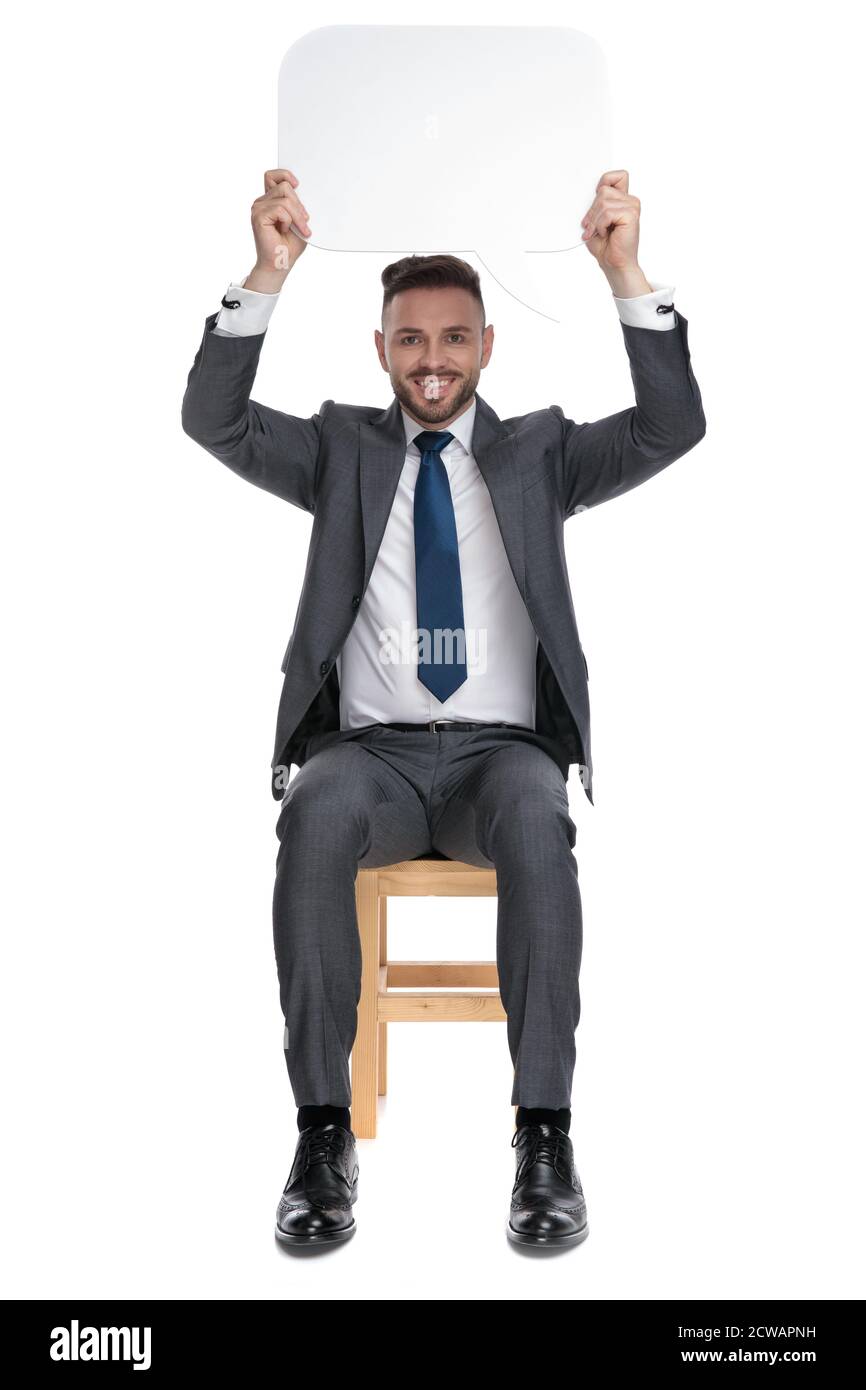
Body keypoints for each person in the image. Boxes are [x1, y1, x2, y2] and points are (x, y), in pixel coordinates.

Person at [181, 165, 706, 1250]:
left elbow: (670, 426)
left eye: (453, 339)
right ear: (380, 350)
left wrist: (623, 272)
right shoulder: (340, 449)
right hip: (367, 761)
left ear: (484, 347)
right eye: (410, 341)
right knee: (315, 810)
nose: (432, 361)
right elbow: (213, 419)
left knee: (533, 811)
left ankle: (544, 1139)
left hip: (495, 759)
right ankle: (321, 1136)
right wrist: (268, 274)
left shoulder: (540, 453)